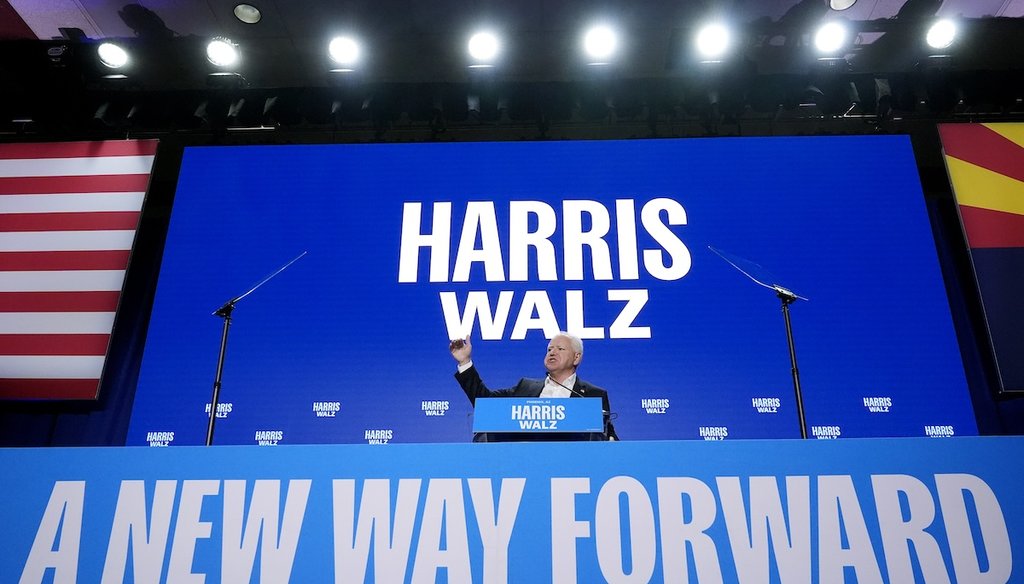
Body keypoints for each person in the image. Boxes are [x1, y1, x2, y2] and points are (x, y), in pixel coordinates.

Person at [449, 332, 618, 440]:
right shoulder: (526, 387)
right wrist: (465, 362)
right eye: (549, 349)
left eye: (560, 349)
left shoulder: (593, 395)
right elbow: (486, 403)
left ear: (576, 358)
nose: (552, 352)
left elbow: (608, 437)